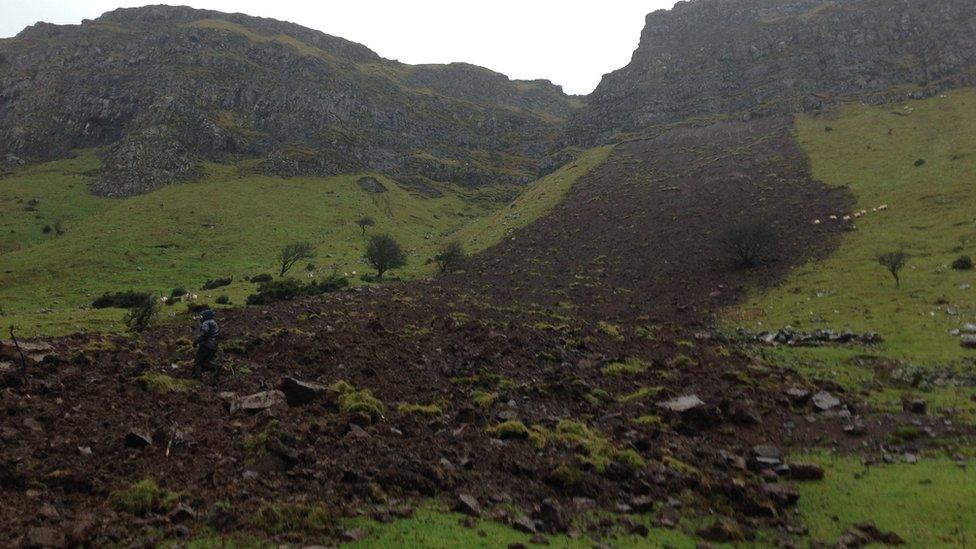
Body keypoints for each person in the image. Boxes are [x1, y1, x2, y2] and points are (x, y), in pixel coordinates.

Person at [191, 309, 220, 384]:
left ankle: (197, 380)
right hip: (214, 346)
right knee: (205, 362)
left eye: (202, 317)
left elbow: (204, 334)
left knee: (197, 362)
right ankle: (214, 369)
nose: (201, 318)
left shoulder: (206, 323)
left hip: (206, 346)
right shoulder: (214, 323)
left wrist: (196, 341)